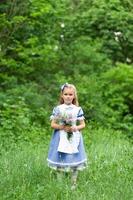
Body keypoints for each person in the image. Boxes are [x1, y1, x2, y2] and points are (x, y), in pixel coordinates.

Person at [47, 83, 87, 189]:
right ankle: (60, 184)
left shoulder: (77, 109)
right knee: (61, 159)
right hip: (60, 136)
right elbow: (53, 124)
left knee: (73, 158)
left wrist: (75, 128)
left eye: (70, 94)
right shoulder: (58, 109)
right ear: (62, 95)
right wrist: (63, 127)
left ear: (74, 96)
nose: (68, 96)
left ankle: (73, 184)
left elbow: (83, 124)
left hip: (74, 137)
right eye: (66, 94)